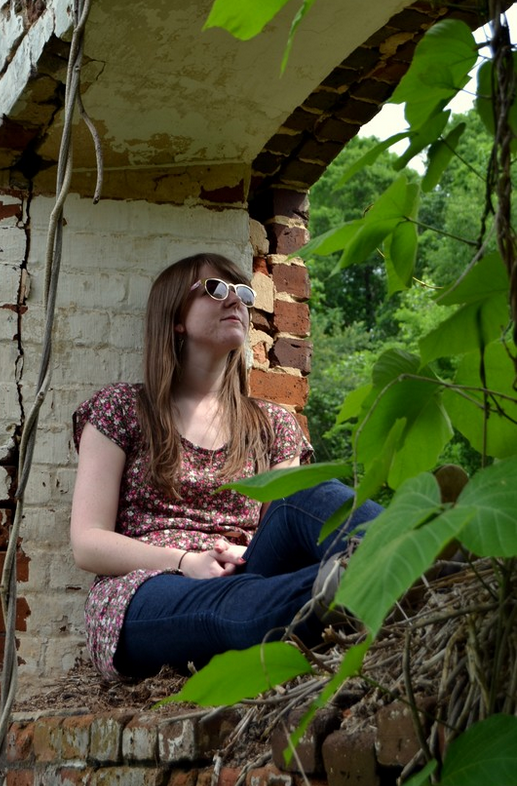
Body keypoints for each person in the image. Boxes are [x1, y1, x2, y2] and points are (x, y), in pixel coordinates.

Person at [70, 252, 382, 681]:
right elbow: (87, 543)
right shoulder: (121, 410)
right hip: (148, 587)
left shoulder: (272, 423)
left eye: (242, 293)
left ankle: (412, 555)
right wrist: (185, 561)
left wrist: (244, 548)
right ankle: (359, 590)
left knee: (302, 496)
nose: (235, 301)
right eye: (216, 289)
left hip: (249, 567)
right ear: (176, 318)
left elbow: (287, 530)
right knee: (228, 607)